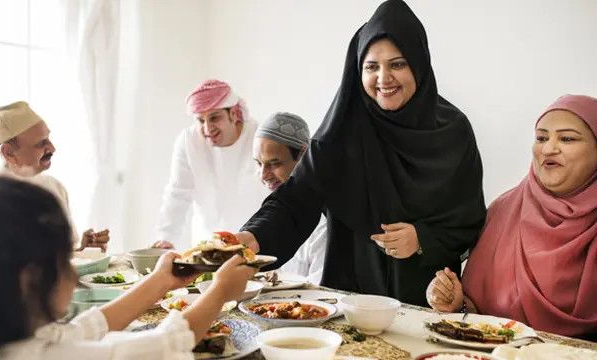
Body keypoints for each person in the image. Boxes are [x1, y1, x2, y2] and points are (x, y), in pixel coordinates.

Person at [235, 0, 486, 307]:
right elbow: (295, 200)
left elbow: (469, 219)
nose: (384, 78)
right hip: (349, 294)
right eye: (371, 66)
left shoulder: (453, 132)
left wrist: (422, 239)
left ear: (419, 63)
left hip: (425, 296)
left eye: (398, 64)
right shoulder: (341, 130)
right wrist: (251, 238)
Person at [0, 174, 257, 359]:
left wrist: (160, 281)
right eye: (64, 260)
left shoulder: (6, 343)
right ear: (29, 279)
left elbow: (87, 328)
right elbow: (164, 346)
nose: (75, 275)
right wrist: (219, 292)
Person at [426, 94, 597, 339]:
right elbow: (479, 312)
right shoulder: (504, 211)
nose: (548, 148)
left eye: (567, 138)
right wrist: (454, 304)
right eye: (541, 138)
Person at [153, 80, 268, 250]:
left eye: (215, 118)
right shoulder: (188, 141)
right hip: (206, 246)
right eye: (200, 120)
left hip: (255, 244)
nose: (207, 128)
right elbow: (177, 194)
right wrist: (166, 236)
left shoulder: (260, 139)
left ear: (235, 114)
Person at [0, 101, 109, 251]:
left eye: (48, 139)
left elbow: (62, 255)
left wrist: (83, 249)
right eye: (41, 143)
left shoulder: (55, 186)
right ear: (8, 153)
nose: (52, 148)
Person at [253, 112, 327, 284]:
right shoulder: (267, 211)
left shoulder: (324, 224)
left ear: (303, 157)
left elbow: (323, 294)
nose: (264, 175)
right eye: (258, 163)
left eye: (274, 163)